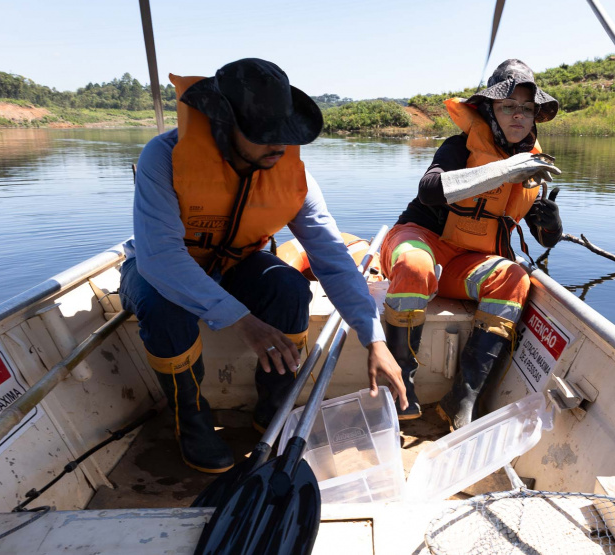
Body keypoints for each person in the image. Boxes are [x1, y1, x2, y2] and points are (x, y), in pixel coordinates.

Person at [119, 58, 407, 474]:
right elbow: (160, 259)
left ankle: (272, 408)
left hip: (235, 263)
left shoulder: (289, 174)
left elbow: (331, 257)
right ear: (223, 125)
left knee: (289, 287)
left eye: (286, 134)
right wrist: (241, 320)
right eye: (265, 134)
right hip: (156, 270)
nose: (280, 146)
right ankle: (193, 423)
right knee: (166, 307)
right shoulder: (163, 157)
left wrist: (374, 338)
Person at [380, 59, 562, 429]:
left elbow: (543, 238)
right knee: (415, 265)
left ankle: (461, 398)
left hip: (466, 263)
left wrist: (552, 225)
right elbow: (430, 190)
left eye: (526, 109)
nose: (518, 116)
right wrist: (503, 170)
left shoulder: (532, 166)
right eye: (508, 106)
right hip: (419, 242)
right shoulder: (457, 147)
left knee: (514, 278)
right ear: (489, 111)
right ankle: (401, 385)